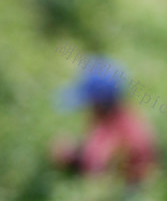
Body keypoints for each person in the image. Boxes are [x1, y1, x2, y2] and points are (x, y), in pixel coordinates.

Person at [51, 56, 158, 185]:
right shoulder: (115, 121)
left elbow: (101, 175)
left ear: (100, 104)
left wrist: (77, 161)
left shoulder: (124, 135)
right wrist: (74, 155)